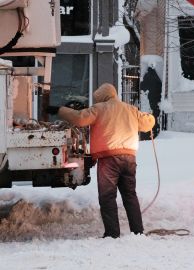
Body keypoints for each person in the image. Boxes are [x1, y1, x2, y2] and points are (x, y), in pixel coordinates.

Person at [47, 83, 155, 238]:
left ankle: (112, 234)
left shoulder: (99, 109)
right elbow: (148, 123)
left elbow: (80, 118)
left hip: (108, 160)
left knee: (107, 197)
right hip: (129, 158)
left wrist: (59, 110)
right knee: (130, 194)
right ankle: (137, 232)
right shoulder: (130, 109)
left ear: (102, 97)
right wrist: (150, 117)